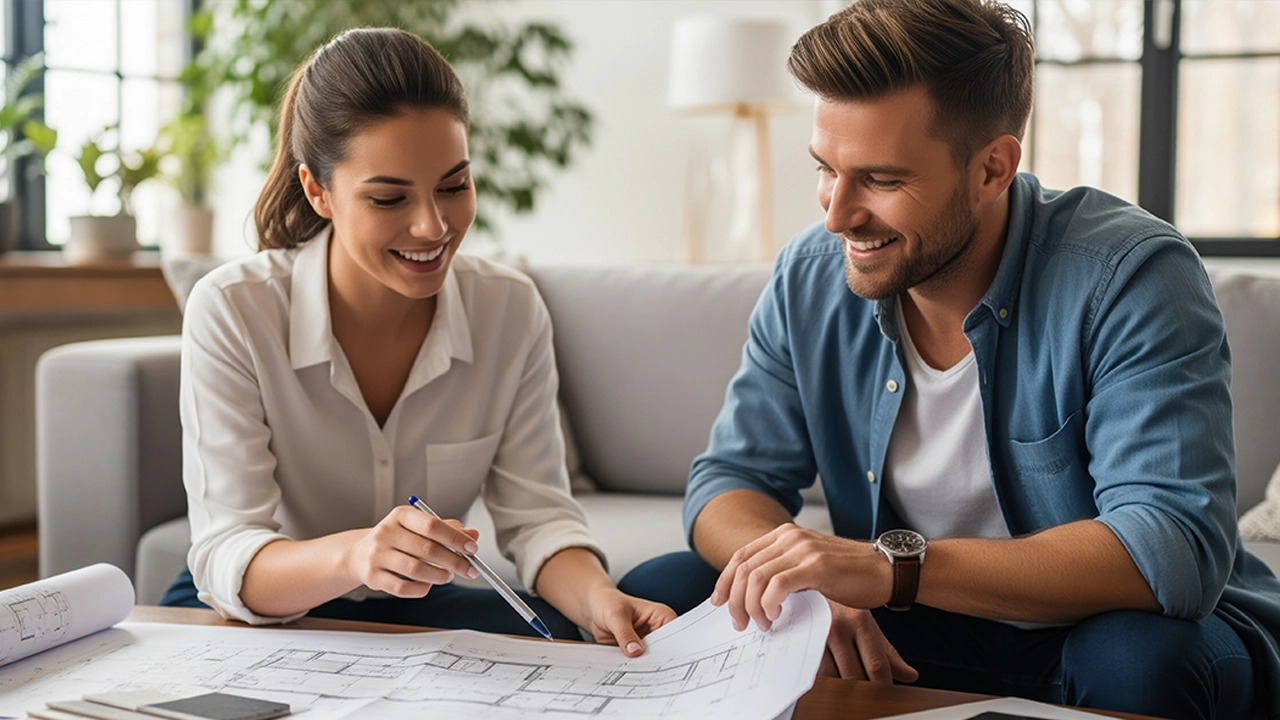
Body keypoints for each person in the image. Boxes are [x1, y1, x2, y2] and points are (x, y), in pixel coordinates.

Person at [617, 0, 1280, 716]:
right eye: (825, 168)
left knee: (1137, 660)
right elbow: (729, 481)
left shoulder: (1130, 275)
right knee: (673, 587)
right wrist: (805, 577)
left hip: (1095, 635)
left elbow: (1172, 545)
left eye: (881, 179)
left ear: (992, 168)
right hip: (909, 630)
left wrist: (887, 569)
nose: (837, 214)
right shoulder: (810, 275)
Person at [160, 27, 673, 655]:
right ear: (317, 190)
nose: (433, 226)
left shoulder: (508, 310)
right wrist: (357, 555)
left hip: (415, 608)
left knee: (577, 640)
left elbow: (539, 519)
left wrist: (600, 601)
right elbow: (227, 550)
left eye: (454, 186)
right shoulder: (235, 309)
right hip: (260, 611)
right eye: (388, 197)